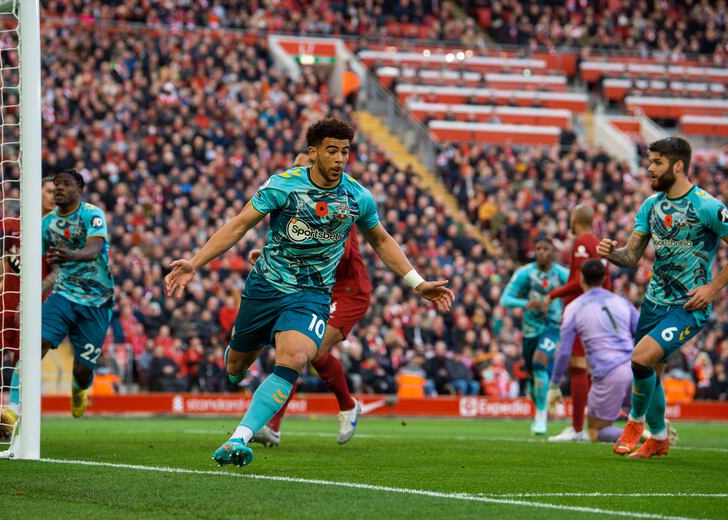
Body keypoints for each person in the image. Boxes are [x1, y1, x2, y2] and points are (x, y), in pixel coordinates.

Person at [165, 118, 454, 467]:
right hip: (265, 288)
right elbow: (240, 224)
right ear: (313, 153)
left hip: (312, 295)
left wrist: (417, 282)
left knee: (296, 358)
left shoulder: (356, 196)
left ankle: (237, 438)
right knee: (235, 368)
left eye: (345, 151)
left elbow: (381, 239)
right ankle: (239, 353)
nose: (339, 159)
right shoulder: (283, 186)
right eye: (332, 151)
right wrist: (195, 263)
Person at [598, 136, 728, 459]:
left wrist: (712, 288)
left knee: (640, 358)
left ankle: (635, 422)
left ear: (678, 165)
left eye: (656, 163)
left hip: (687, 307)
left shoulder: (708, 206)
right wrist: (613, 254)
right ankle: (658, 438)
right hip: (654, 303)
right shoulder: (651, 206)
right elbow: (631, 256)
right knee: (650, 371)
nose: (650, 169)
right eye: (650, 162)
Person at [250, 153, 370, 447]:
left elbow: (337, 253)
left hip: (347, 291)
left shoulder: (338, 206)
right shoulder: (295, 202)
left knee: (309, 351)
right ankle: (275, 425)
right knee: (294, 352)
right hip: (313, 289)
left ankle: (344, 405)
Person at [0, 176, 57, 442]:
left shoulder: (57, 230)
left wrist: (34, 300)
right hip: (6, 301)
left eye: (56, 192)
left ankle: (12, 420)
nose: (53, 196)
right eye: (49, 191)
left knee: (22, 364)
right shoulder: (13, 225)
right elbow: (8, 262)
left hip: (36, 305)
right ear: (36, 192)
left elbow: (57, 274)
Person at [41, 169, 115, 418]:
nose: (59, 188)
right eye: (55, 184)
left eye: (65, 184)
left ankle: (78, 389)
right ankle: (15, 408)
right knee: (35, 344)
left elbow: (94, 249)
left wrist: (69, 255)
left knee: (83, 370)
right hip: (63, 294)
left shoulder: (92, 214)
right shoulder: (47, 223)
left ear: (79, 190)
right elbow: (31, 258)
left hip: (97, 300)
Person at [548, 260, 635, 443]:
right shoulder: (621, 302)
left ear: (581, 279)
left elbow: (564, 351)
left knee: (596, 430)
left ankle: (643, 435)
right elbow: (643, 331)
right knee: (633, 412)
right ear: (604, 278)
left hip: (609, 371)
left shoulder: (575, 307)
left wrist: (555, 384)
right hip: (635, 367)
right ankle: (656, 427)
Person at [546, 204, 611, 442]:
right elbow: (607, 279)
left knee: (577, 366)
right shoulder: (599, 243)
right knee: (592, 369)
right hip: (600, 309)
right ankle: (594, 425)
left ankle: (577, 429)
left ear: (575, 219)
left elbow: (577, 280)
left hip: (583, 310)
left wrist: (552, 295)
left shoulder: (582, 242)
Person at [500, 237, 568, 435]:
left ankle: (541, 417)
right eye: (538, 248)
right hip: (530, 331)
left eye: (545, 249)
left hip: (552, 327)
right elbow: (506, 299)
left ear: (553, 253)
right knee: (532, 374)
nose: (541, 252)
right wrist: (525, 304)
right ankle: (539, 399)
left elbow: (576, 290)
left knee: (539, 363)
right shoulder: (525, 273)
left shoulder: (562, 274)